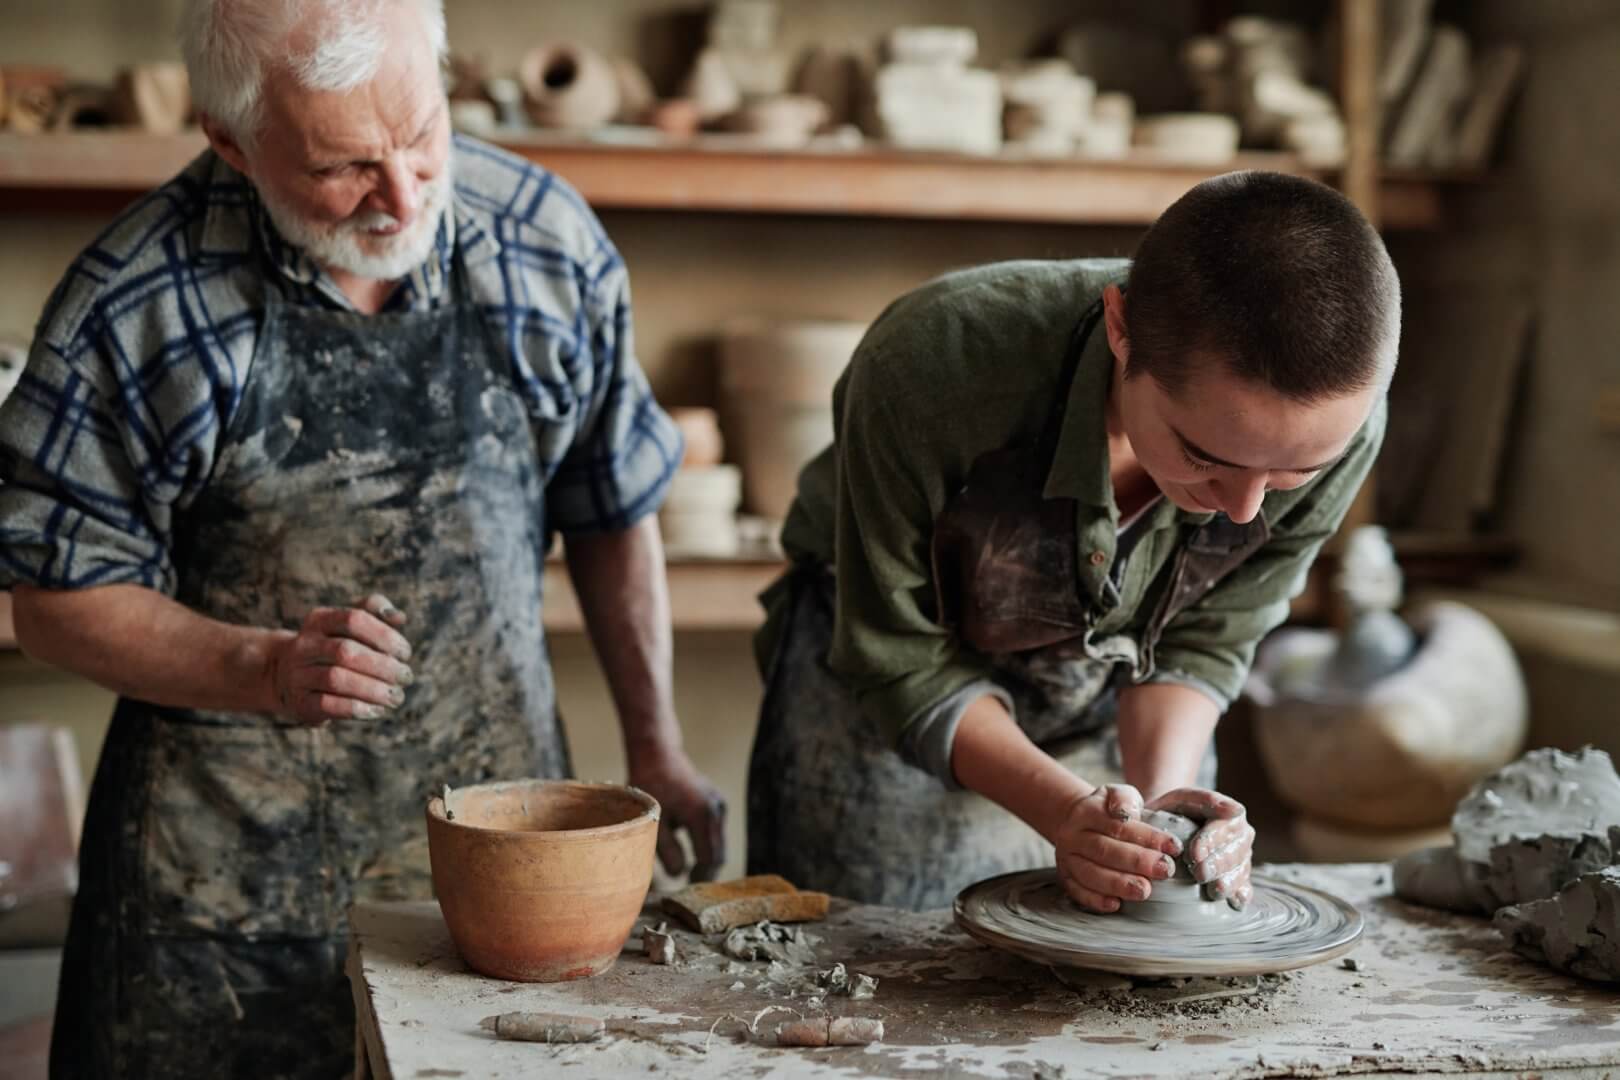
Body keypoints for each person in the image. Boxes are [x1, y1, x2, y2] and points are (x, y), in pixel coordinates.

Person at [0, 1, 726, 1076]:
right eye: (344, 167)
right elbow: (55, 601)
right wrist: (265, 666)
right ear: (231, 140)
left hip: (501, 867)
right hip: (218, 900)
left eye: (423, 134)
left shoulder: (542, 237)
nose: (402, 195)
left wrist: (656, 741)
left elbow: (613, 505)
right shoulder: (137, 301)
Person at [748, 171, 1398, 914]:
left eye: (1291, 474)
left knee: (1138, 924)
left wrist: (1155, 815)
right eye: (1204, 457)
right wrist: (1065, 813)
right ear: (1120, 330)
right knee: (870, 963)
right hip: (889, 664)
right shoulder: (934, 365)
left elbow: (1207, 638)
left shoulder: (1341, 426)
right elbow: (897, 656)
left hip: (1108, 686)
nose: (1245, 508)